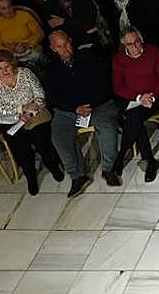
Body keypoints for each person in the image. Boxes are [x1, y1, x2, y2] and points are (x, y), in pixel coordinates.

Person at [44, 30, 121, 196]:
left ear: (70, 41)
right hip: (69, 111)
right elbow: (54, 97)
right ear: (53, 48)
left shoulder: (88, 57)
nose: (65, 49)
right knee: (59, 136)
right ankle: (77, 175)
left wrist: (88, 105)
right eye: (59, 47)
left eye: (66, 44)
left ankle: (109, 169)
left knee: (108, 130)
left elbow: (102, 83)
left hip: (97, 105)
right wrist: (75, 108)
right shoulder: (51, 69)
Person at [0, 51, 64, 196]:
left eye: (7, 66)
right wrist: (21, 109)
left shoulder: (26, 73)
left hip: (34, 116)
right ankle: (31, 177)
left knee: (43, 144)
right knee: (22, 152)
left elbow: (40, 96)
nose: (5, 71)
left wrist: (30, 111)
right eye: (0, 68)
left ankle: (54, 167)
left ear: (13, 64)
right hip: (9, 122)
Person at [110, 26, 159, 183]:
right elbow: (118, 87)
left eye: (137, 42)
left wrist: (151, 96)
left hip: (154, 98)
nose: (135, 46)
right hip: (133, 99)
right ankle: (150, 161)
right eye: (129, 44)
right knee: (135, 119)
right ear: (124, 45)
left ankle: (122, 155)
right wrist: (139, 97)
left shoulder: (153, 52)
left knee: (133, 118)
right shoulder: (119, 59)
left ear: (141, 40)